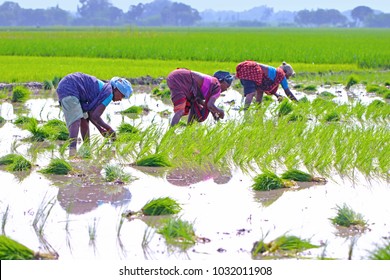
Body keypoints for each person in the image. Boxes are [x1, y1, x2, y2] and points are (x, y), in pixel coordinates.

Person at [56, 72, 133, 154]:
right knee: (76, 121)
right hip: (69, 88)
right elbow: (96, 116)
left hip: (70, 86)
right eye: (122, 95)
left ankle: (87, 149)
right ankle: (72, 152)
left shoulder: (104, 90)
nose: (121, 99)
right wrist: (109, 129)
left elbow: (91, 115)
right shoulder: (109, 93)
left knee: (84, 120)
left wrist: (100, 128)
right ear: (117, 90)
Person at [167, 68, 233, 126]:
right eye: (227, 86)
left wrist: (214, 112)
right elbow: (210, 105)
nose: (226, 89)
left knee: (193, 104)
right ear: (222, 82)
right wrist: (221, 111)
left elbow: (199, 102)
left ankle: (188, 129)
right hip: (180, 78)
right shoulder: (217, 86)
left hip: (175, 75)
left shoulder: (210, 84)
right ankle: (170, 135)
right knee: (180, 111)